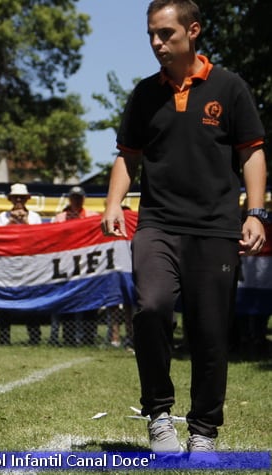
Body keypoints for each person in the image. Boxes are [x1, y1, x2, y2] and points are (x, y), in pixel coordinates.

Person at [101, 0, 267, 454]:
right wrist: (114, 202)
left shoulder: (229, 87)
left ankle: (204, 431)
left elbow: (252, 151)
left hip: (215, 228)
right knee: (151, 308)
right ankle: (158, 416)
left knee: (210, 331)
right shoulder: (143, 94)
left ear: (193, 31)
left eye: (166, 34)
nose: (157, 43)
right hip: (157, 224)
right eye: (152, 34)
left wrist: (255, 212)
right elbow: (127, 155)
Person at [50, 186, 102, 346]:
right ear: (69, 199)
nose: (77, 200)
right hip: (66, 266)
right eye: (74, 197)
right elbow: (52, 237)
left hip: (87, 265)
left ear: (84, 199)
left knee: (89, 301)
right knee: (68, 300)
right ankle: (69, 338)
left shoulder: (93, 216)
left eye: (79, 197)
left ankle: (88, 338)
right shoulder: (59, 218)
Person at [0, 183, 44, 345]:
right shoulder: (3, 216)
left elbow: (39, 238)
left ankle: (34, 337)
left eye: (21, 197)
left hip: (29, 265)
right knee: (5, 301)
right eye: (15, 197)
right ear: (10, 199)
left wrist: (25, 220)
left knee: (32, 300)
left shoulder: (35, 217)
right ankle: (4, 339)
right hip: (8, 264)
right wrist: (12, 220)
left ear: (27, 199)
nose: (18, 200)